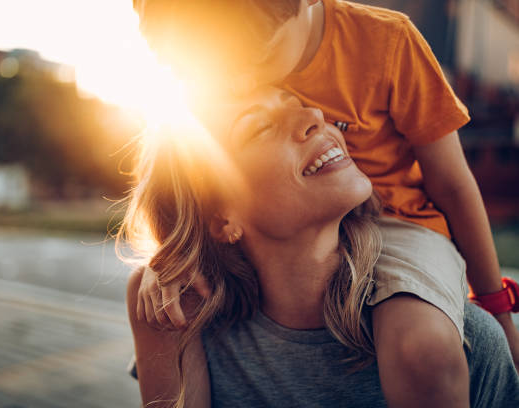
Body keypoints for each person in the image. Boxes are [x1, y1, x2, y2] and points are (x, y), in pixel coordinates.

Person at [132, 1, 519, 406]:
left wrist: (499, 309)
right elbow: (182, 170)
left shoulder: (387, 41)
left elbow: (454, 185)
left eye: (255, 57)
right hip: (306, 221)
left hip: (404, 224)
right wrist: (172, 252)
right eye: (224, 68)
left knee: (420, 344)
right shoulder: (220, 54)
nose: (243, 79)